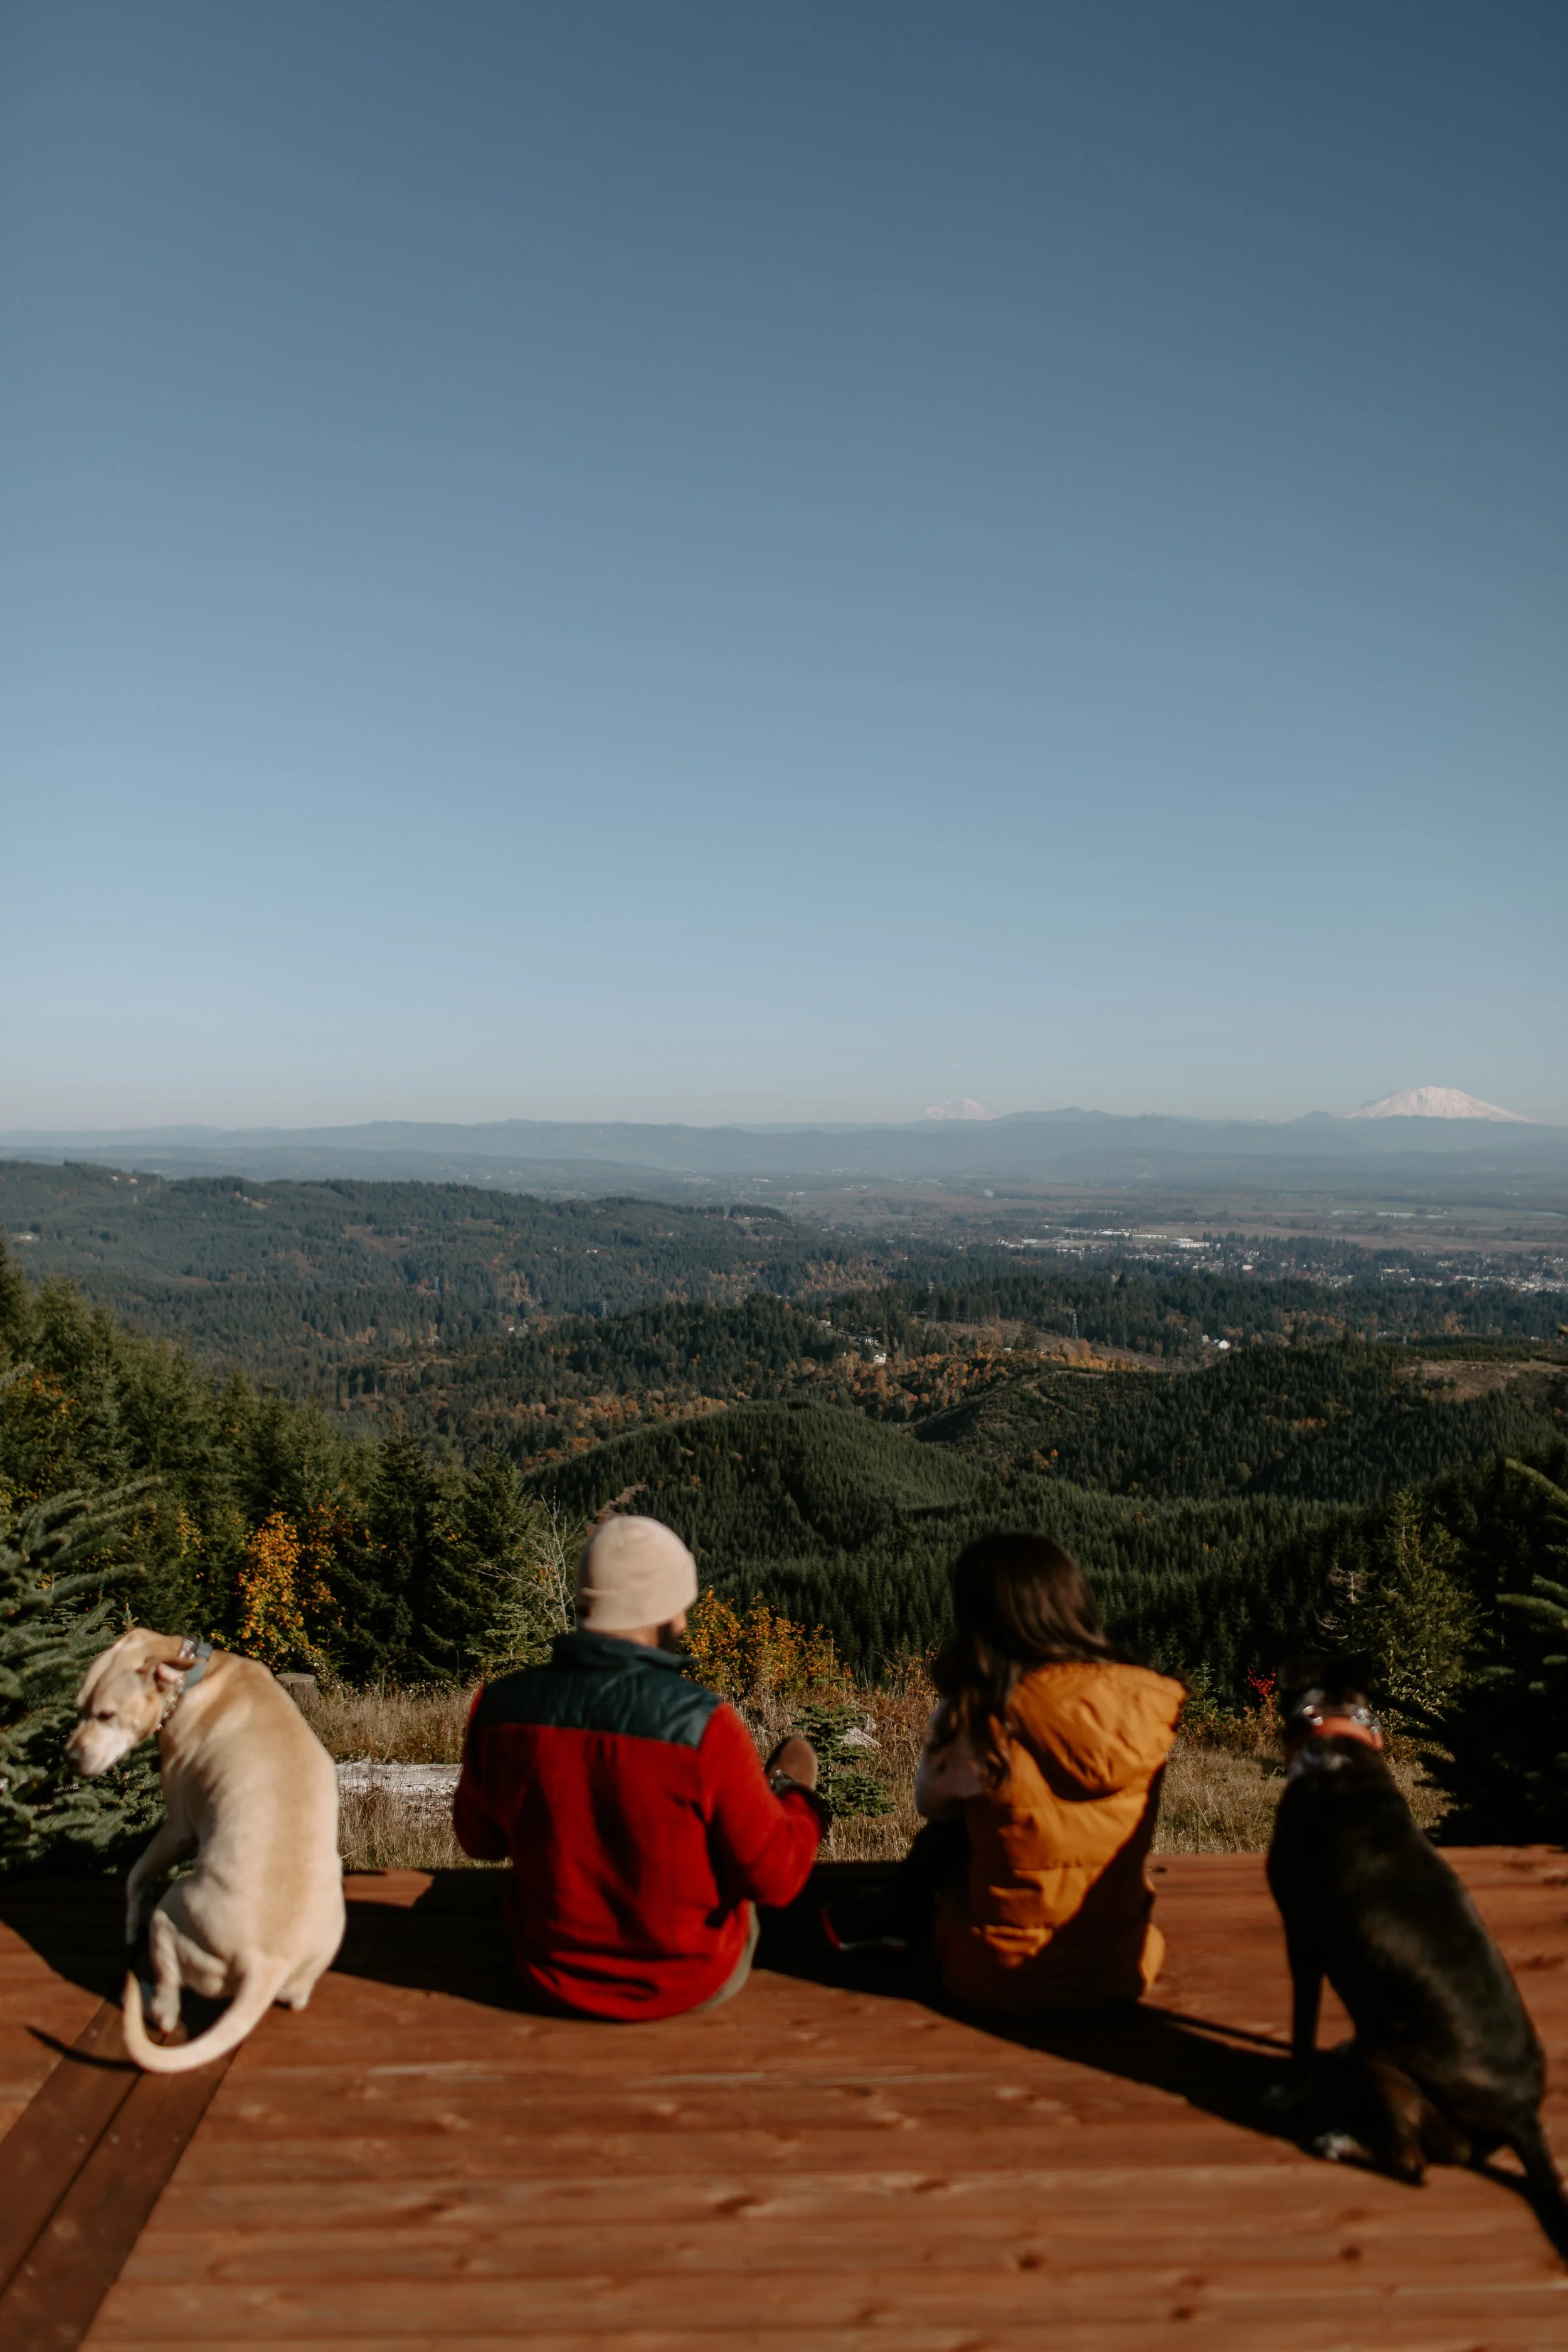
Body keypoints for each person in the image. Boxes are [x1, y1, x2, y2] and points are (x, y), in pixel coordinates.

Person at [453, 1515, 827, 2020]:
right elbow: (776, 1879)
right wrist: (795, 1793)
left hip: (547, 1974)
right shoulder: (705, 1726)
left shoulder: (498, 1708)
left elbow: (481, 1842)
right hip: (685, 1981)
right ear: (669, 1616)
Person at [824, 1532, 1184, 2010]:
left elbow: (930, 1803)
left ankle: (894, 1916)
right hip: (1120, 1968)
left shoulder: (978, 1714)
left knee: (952, 1831)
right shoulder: (1143, 1703)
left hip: (998, 1978)